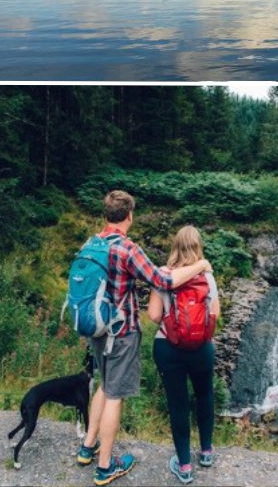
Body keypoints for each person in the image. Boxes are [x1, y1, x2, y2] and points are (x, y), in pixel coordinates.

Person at [77, 191, 212, 486]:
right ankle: (104, 467)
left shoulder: (91, 243)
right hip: (121, 332)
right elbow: (163, 281)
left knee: (104, 384)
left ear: (106, 214)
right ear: (129, 216)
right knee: (115, 395)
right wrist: (200, 266)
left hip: (95, 328)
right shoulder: (127, 249)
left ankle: (88, 447)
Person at [148, 225, 220, 485]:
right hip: (201, 348)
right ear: (198, 246)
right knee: (205, 395)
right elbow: (215, 314)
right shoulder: (207, 275)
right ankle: (207, 453)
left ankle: (185, 466)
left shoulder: (163, 275)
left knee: (178, 403)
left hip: (169, 347)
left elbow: (154, 315)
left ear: (175, 246)